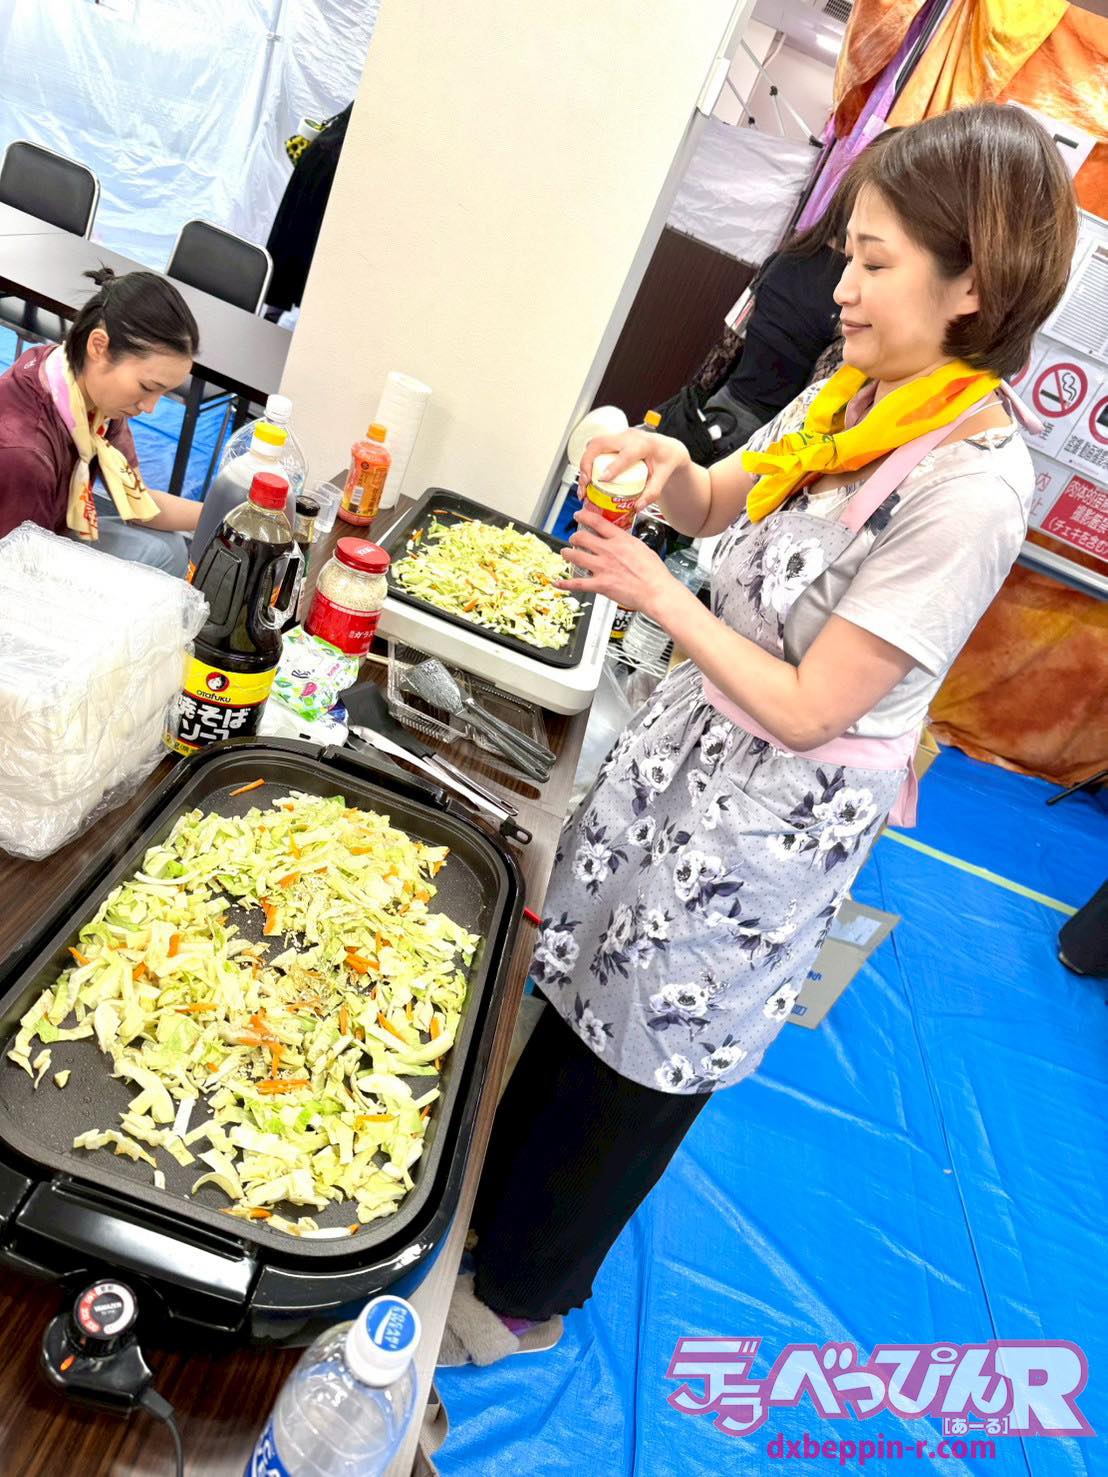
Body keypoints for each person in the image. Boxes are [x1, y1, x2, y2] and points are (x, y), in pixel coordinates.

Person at [445, 103, 1077, 1363]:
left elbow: (812, 704)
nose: (843, 288)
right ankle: (477, 1221)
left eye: (875, 261)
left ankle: (518, 1298)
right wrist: (657, 464)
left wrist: (658, 595)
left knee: (640, 1062)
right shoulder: (858, 395)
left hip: (763, 825)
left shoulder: (968, 486)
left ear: (973, 285)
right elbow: (718, 498)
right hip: (683, 769)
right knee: (574, 993)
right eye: (849, 253)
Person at [0, 267, 201, 575]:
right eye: (147, 387)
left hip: (42, 533)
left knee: (170, 547)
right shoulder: (26, 454)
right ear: (98, 346)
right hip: (16, 568)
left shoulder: (82, 389)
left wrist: (224, 516)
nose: (150, 407)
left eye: (164, 392)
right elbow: (18, 578)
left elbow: (141, 504)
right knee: (158, 562)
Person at [265, 104, 353, 318]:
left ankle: (274, 313)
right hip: (326, 169)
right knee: (302, 244)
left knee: (295, 241)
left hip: (322, 162)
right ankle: (276, 314)